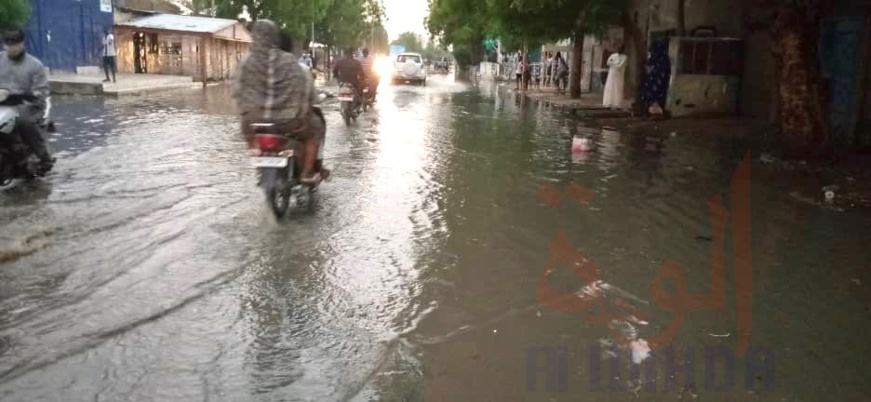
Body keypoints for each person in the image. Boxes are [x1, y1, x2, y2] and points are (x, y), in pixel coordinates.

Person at [232, 20, 324, 186]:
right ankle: (306, 172)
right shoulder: (289, 61)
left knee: (249, 133)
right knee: (315, 129)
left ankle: (255, 150)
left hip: (254, 124)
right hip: (288, 123)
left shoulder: (246, 62)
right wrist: (301, 113)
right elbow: (302, 92)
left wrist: (246, 116)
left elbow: (237, 92)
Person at [0, 29, 54, 175]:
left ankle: (44, 158)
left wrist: (29, 95)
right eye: (8, 43)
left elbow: (42, 91)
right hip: (3, 104)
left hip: (27, 104)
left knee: (24, 120)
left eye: (14, 43)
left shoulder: (34, 65)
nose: (10, 47)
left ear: (22, 44)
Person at [278, 30, 330, 180]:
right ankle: (308, 171)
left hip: (264, 121)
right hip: (293, 120)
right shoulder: (302, 69)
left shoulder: (261, 69)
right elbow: (313, 98)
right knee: (316, 130)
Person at [640, 40, 671, 118]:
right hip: (656, 80)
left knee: (653, 94)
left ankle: (655, 111)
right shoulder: (662, 58)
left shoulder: (661, 59)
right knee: (652, 94)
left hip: (656, 80)